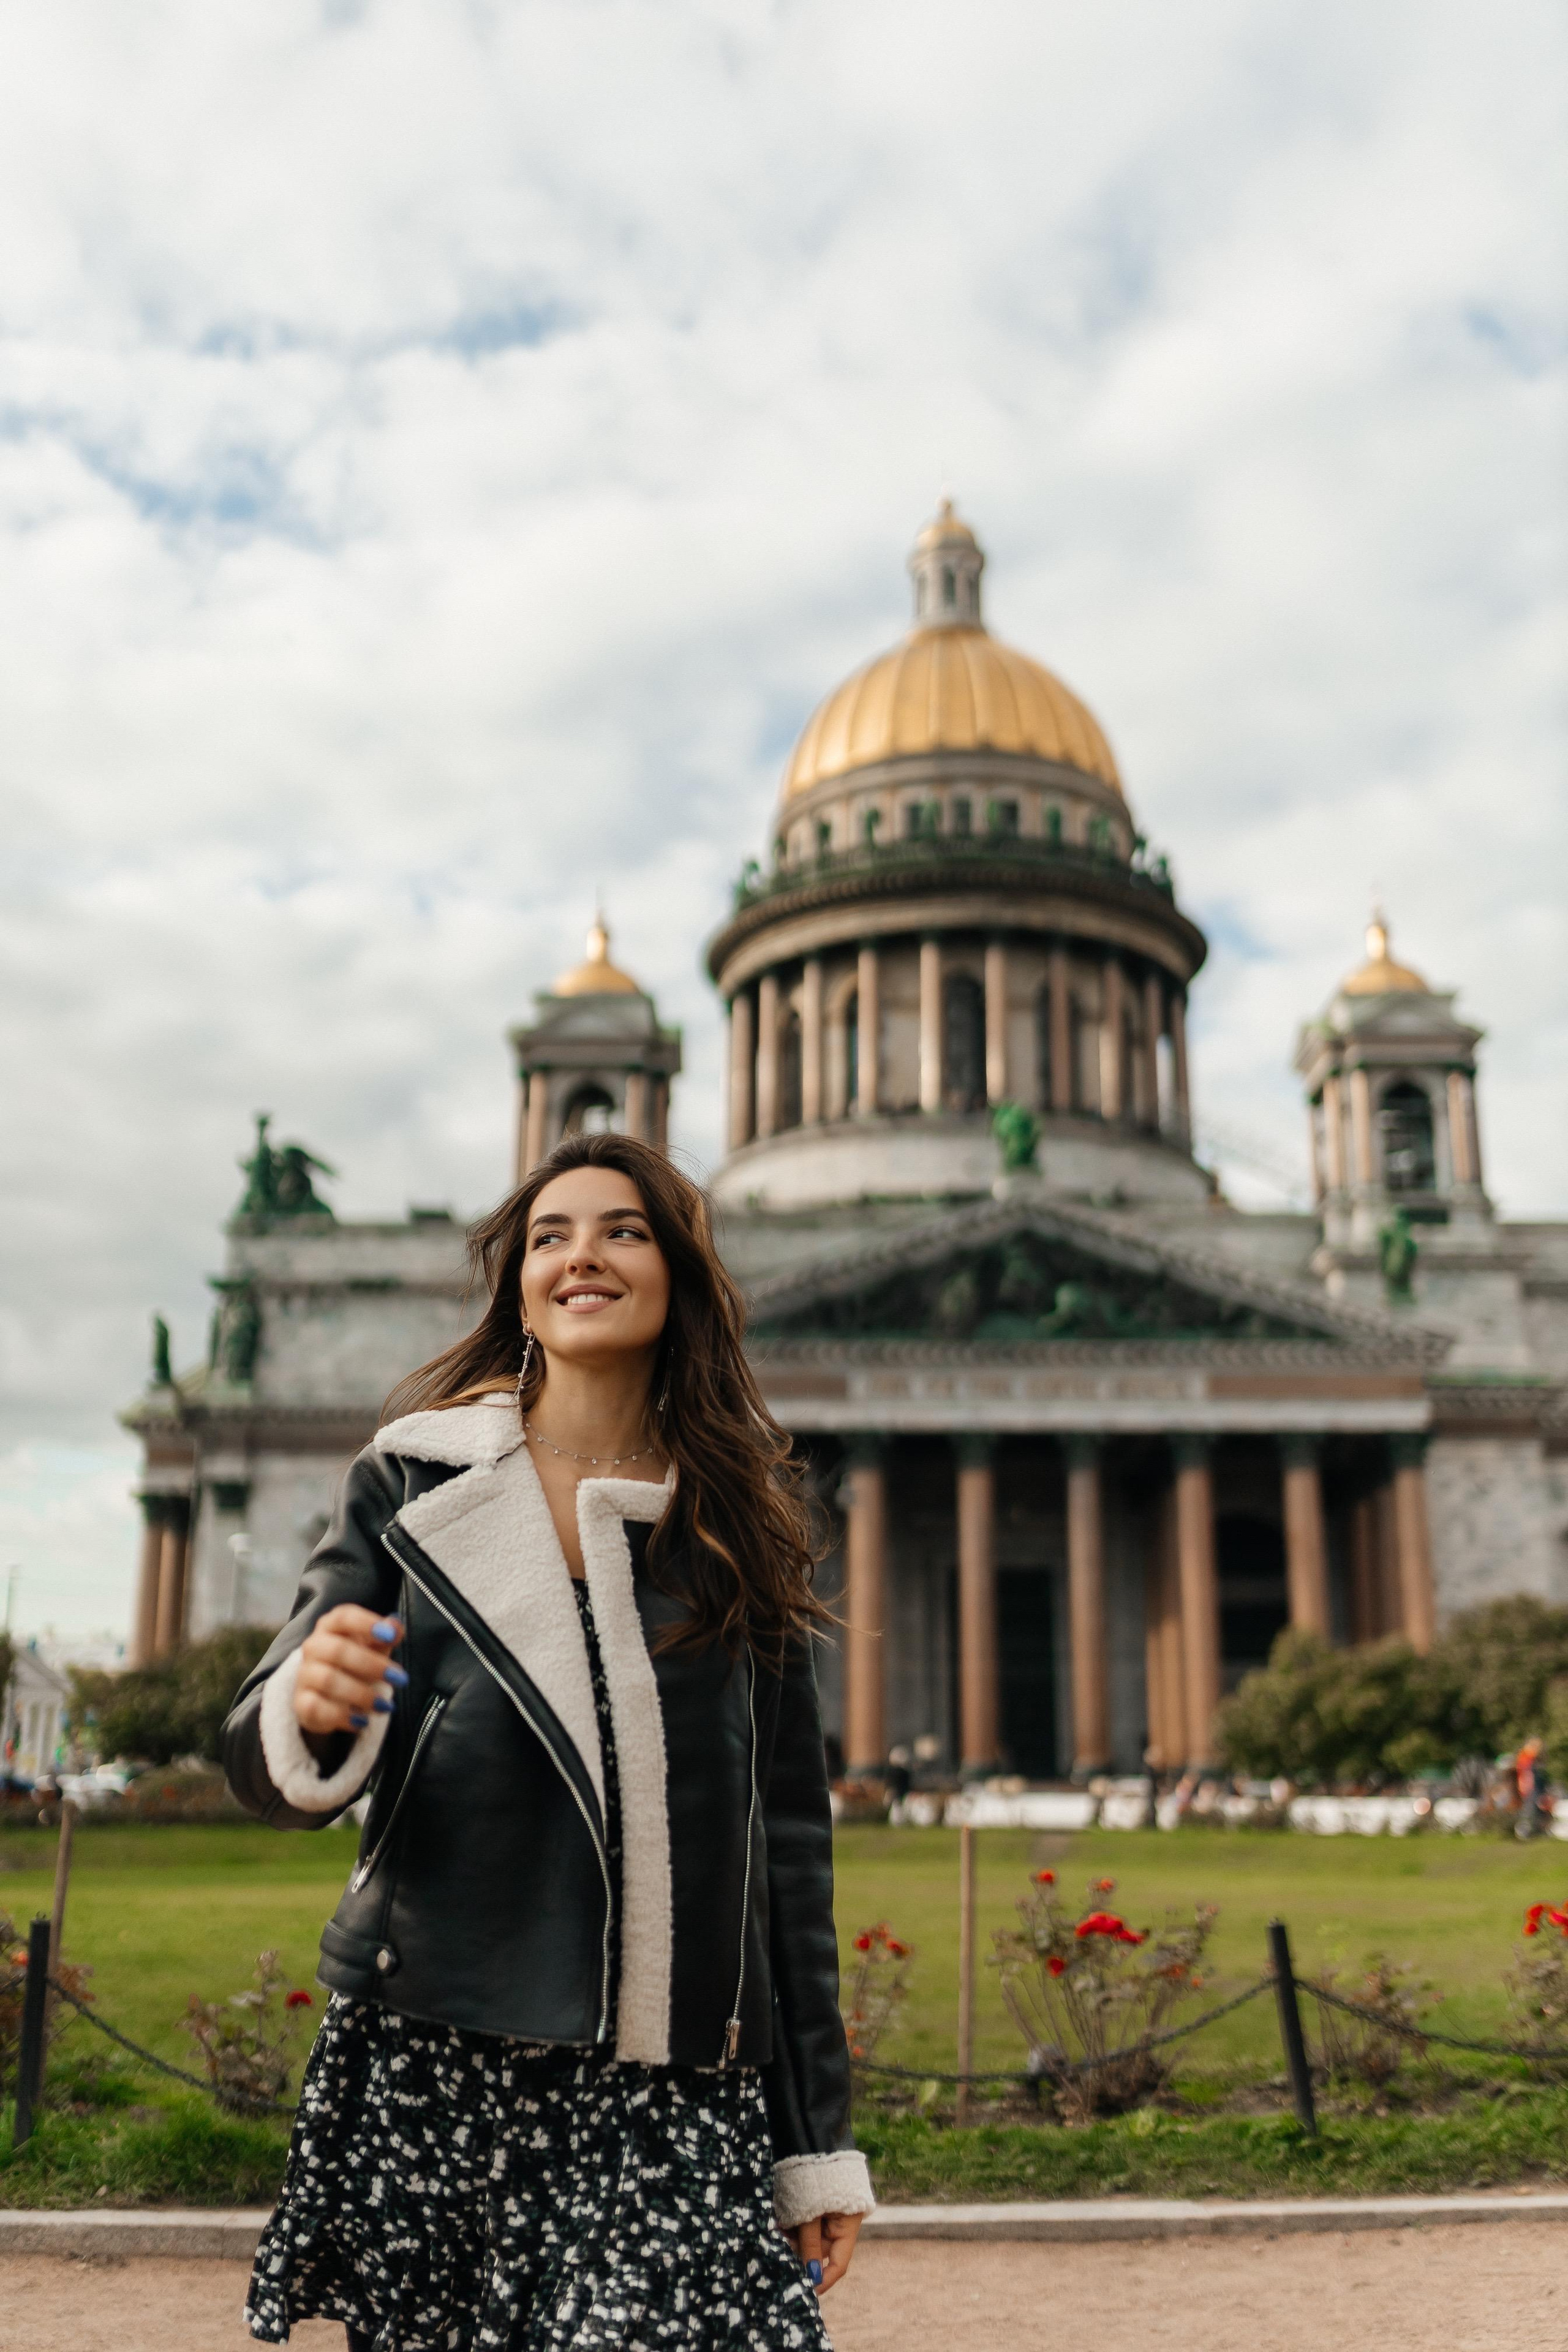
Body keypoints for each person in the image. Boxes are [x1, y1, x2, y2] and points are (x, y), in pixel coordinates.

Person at [224, 1132, 871, 2348]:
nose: (583, 1255)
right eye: (549, 1235)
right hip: (442, 2055)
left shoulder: (740, 1527)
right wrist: (312, 1708)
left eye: (623, 1230)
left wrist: (812, 2138)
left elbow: (786, 1859)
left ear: (677, 1274)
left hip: (668, 2078)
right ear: (517, 1283)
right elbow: (266, 1756)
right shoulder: (410, 1486)